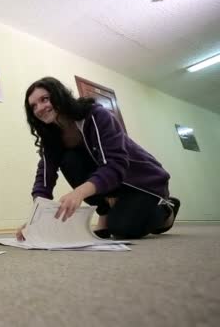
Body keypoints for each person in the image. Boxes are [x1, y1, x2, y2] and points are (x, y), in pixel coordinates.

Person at [17, 77, 180, 240]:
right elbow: (44, 178)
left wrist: (78, 193)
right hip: (112, 184)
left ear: (59, 95)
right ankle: (106, 212)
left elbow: (115, 164)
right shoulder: (52, 137)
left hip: (141, 181)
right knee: (69, 160)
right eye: (33, 106)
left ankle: (167, 210)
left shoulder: (95, 115)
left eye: (44, 99)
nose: (39, 108)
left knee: (124, 229)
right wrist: (35, 220)